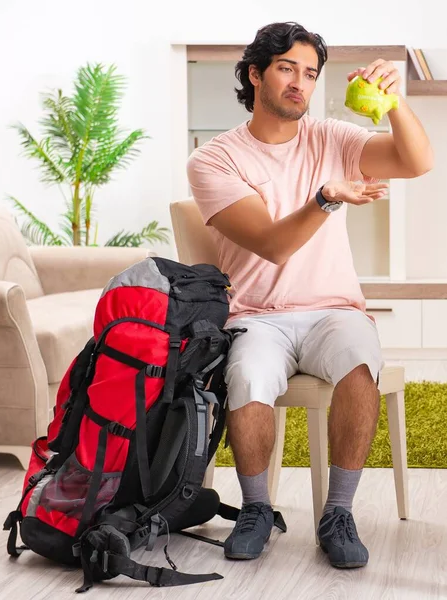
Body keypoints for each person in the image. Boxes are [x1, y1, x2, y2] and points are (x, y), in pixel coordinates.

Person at [187, 21, 433, 568]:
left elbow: (417, 162)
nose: (301, 82)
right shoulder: (214, 159)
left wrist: (393, 101)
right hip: (257, 314)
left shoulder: (331, 137)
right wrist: (325, 197)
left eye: (311, 73)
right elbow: (274, 246)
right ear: (254, 74)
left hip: (333, 309)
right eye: (286, 68)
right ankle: (256, 509)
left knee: (358, 364)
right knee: (248, 376)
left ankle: (337, 513)